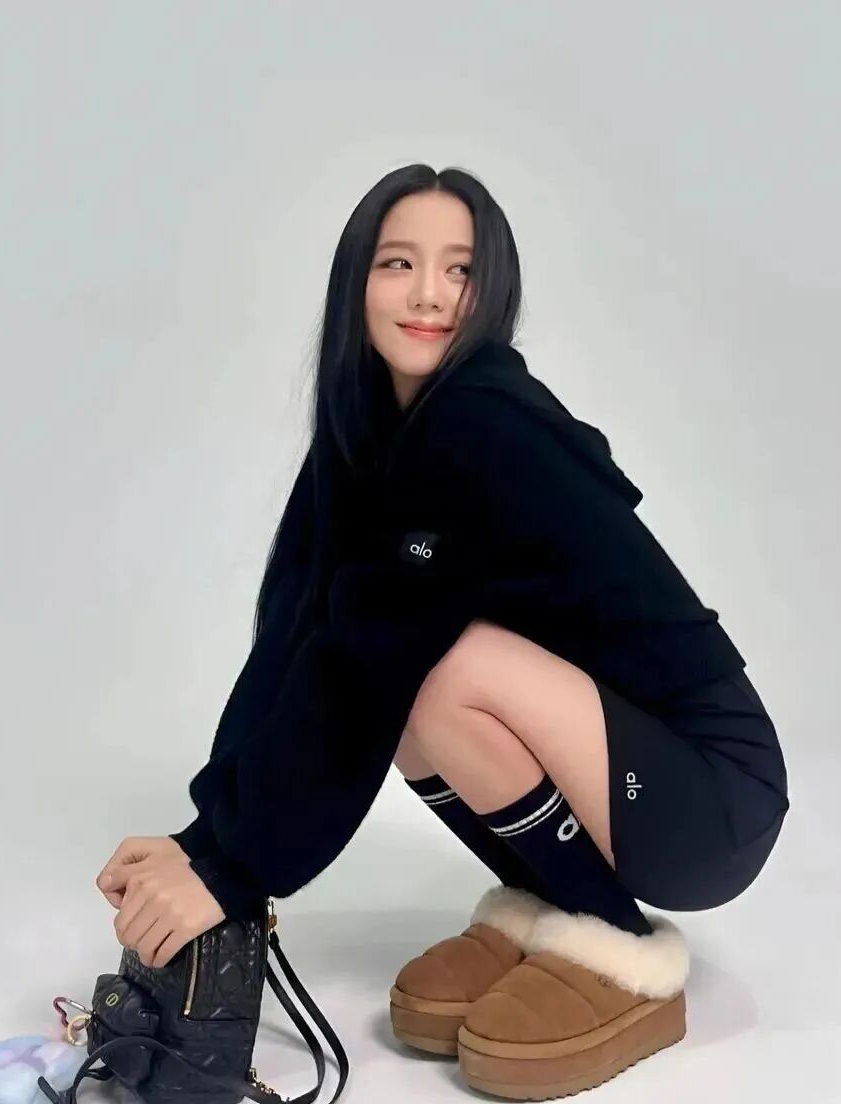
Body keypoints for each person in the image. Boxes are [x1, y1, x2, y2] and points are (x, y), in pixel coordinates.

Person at [95, 164, 789, 1100]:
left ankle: (618, 945)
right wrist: (205, 838)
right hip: (613, 760)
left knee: (429, 669)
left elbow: (366, 665)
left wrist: (236, 872)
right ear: (355, 281)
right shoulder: (367, 435)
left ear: (492, 289)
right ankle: (551, 904)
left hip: (709, 796)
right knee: (396, 675)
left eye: (460, 269)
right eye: (398, 263)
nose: (428, 294)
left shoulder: (482, 422)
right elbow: (297, 643)